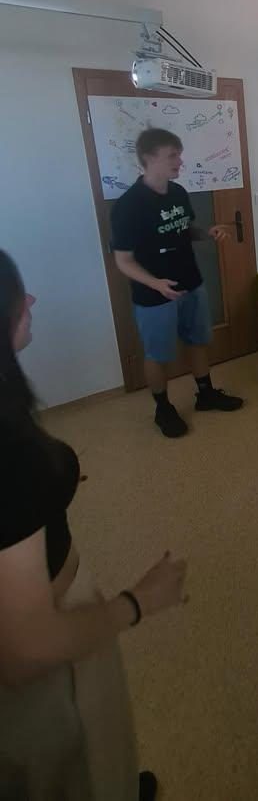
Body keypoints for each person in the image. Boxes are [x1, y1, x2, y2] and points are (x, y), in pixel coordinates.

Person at [0, 249, 187, 801]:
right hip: (54, 637)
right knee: (74, 757)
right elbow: (26, 649)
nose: (32, 301)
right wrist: (139, 601)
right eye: (20, 296)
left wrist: (50, 489)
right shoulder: (11, 455)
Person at [111, 128, 243, 439]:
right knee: (157, 354)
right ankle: (163, 408)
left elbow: (184, 229)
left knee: (197, 341)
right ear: (148, 158)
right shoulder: (128, 206)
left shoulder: (178, 192)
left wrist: (206, 232)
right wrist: (155, 283)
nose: (180, 161)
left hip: (191, 282)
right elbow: (123, 260)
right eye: (172, 155)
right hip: (154, 294)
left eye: (179, 155)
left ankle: (205, 394)